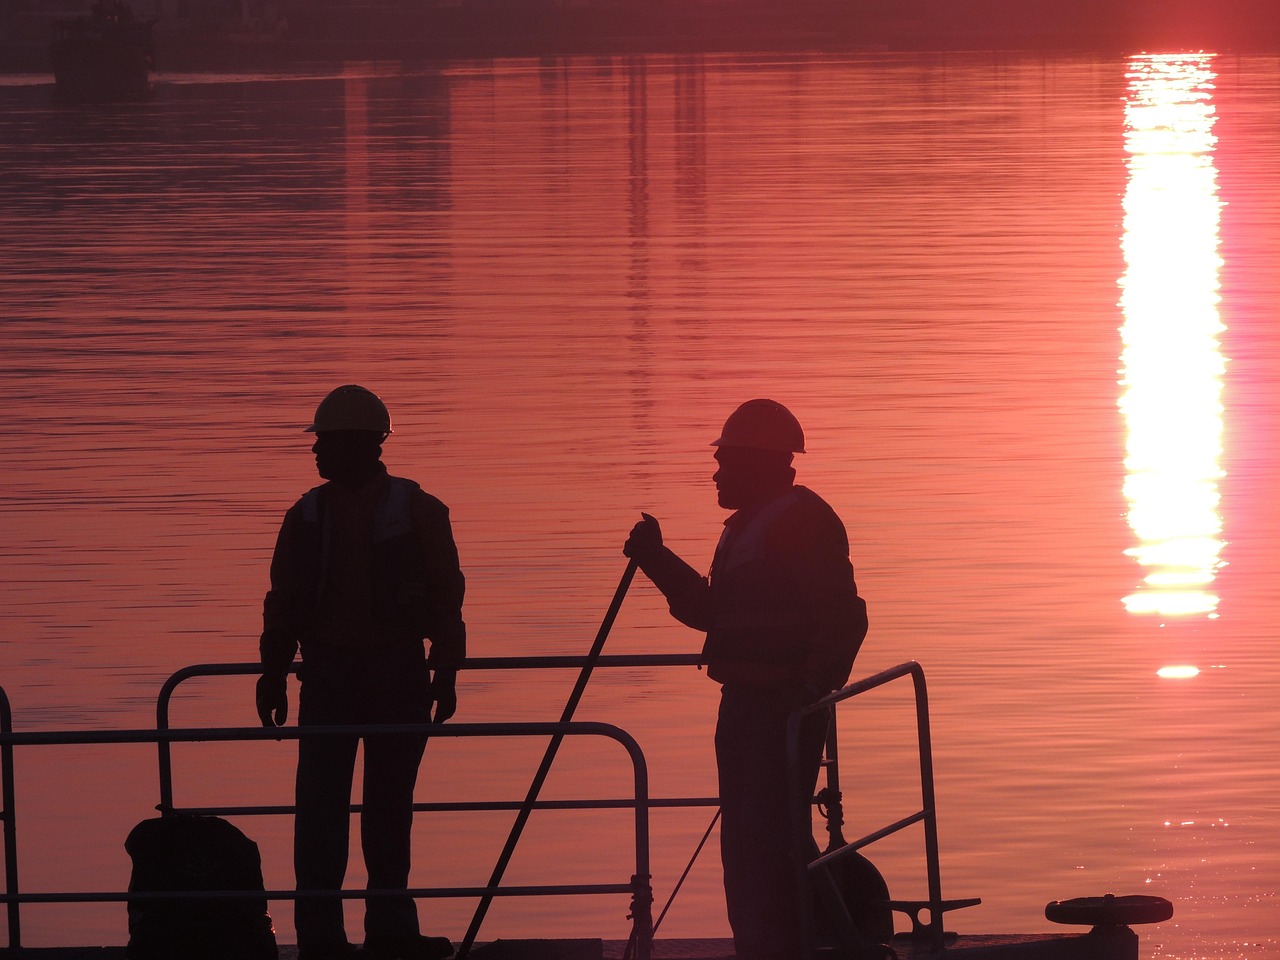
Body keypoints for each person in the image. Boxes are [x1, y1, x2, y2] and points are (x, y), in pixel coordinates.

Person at [623, 399, 868, 960]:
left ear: (758, 463)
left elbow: (846, 618)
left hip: (781, 706)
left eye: (725, 462)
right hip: (742, 703)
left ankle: (785, 946)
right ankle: (759, 945)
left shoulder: (801, 523)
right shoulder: (748, 528)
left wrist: (809, 691)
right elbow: (713, 614)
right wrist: (656, 561)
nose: (715, 474)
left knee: (769, 839)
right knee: (745, 840)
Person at [256, 385, 465, 960]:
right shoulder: (306, 515)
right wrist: (272, 671)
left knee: (389, 813)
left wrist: (445, 670)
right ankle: (322, 938)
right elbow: (284, 600)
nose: (316, 453)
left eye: (324, 442)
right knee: (319, 814)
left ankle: (390, 933)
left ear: (360, 445)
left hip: (398, 676)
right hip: (327, 677)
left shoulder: (420, 511)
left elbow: (448, 598)